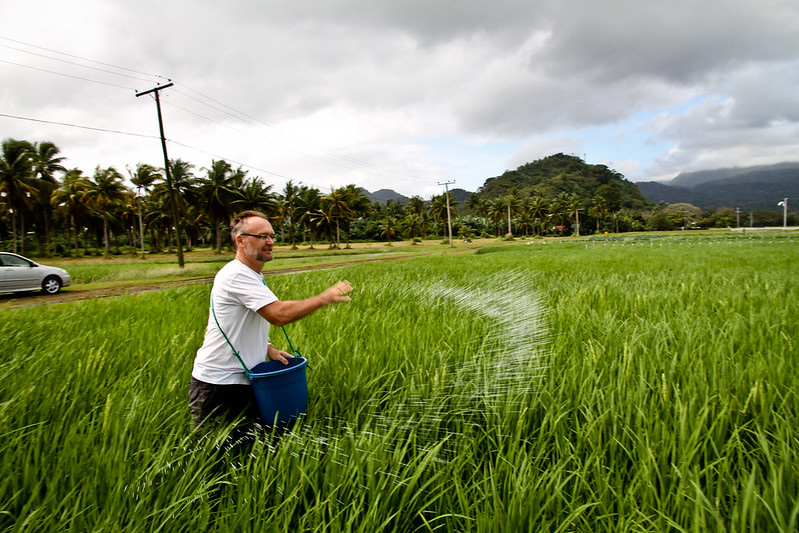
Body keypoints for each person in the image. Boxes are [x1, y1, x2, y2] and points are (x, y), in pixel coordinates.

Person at [189, 210, 352, 428]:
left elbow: (234, 322)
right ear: (241, 240)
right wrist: (322, 298)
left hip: (244, 379)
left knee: (250, 451)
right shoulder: (237, 275)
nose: (270, 242)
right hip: (219, 384)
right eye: (262, 236)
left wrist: (267, 347)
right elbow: (278, 315)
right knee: (216, 457)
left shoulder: (251, 274)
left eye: (271, 236)